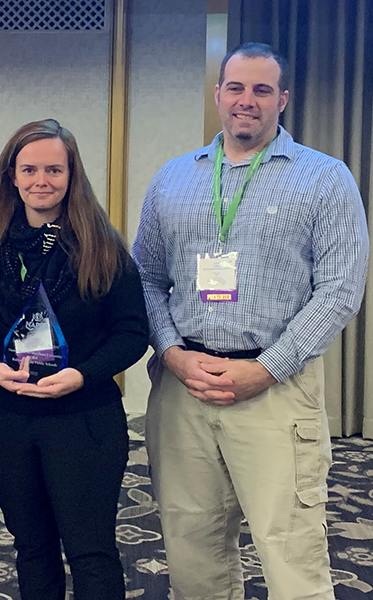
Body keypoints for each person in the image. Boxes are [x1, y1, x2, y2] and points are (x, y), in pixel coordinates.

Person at [133, 42, 369, 600]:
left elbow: (340, 291)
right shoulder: (172, 179)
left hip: (275, 392)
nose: (247, 101)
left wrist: (266, 368)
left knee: (291, 553)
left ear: (282, 100)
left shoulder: (325, 179)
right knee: (193, 551)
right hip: (183, 388)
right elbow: (144, 278)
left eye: (262, 90)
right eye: (236, 88)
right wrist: (169, 352)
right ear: (218, 95)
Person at [0, 118, 149, 600]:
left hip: (82, 419)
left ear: (71, 176)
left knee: (90, 550)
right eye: (30, 169)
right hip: (5, 419)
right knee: (32, 547)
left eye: (54, 170)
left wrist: (81, 375)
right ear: (12, 177)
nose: (42, 180)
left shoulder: (103, 249)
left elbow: (132, 333)